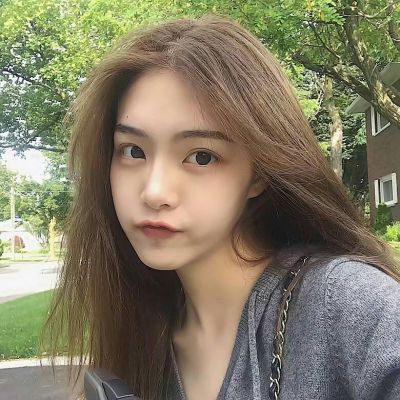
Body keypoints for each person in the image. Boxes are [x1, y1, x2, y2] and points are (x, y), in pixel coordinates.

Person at [42, 13, 400, 400]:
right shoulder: (140, 329)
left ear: (258, 173)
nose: (155, 191)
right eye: (133, 151)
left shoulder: (350, 306)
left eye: (201, 156)